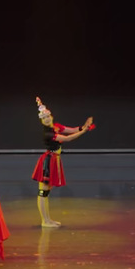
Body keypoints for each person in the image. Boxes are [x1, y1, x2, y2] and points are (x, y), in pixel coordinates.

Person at [32, 96, 94, 227]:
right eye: (44, 118)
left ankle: (48, 220)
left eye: (48, 116)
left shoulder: (56, 127)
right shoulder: (48, 134)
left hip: (54, 159)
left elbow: (72, 130)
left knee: (46, 192)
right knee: (43, 192)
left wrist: (83, 127)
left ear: (51, 116)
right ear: (41, 120)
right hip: (48, 161)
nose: (47, 119)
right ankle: (45, 221)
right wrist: (84, 131)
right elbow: (68, 138)